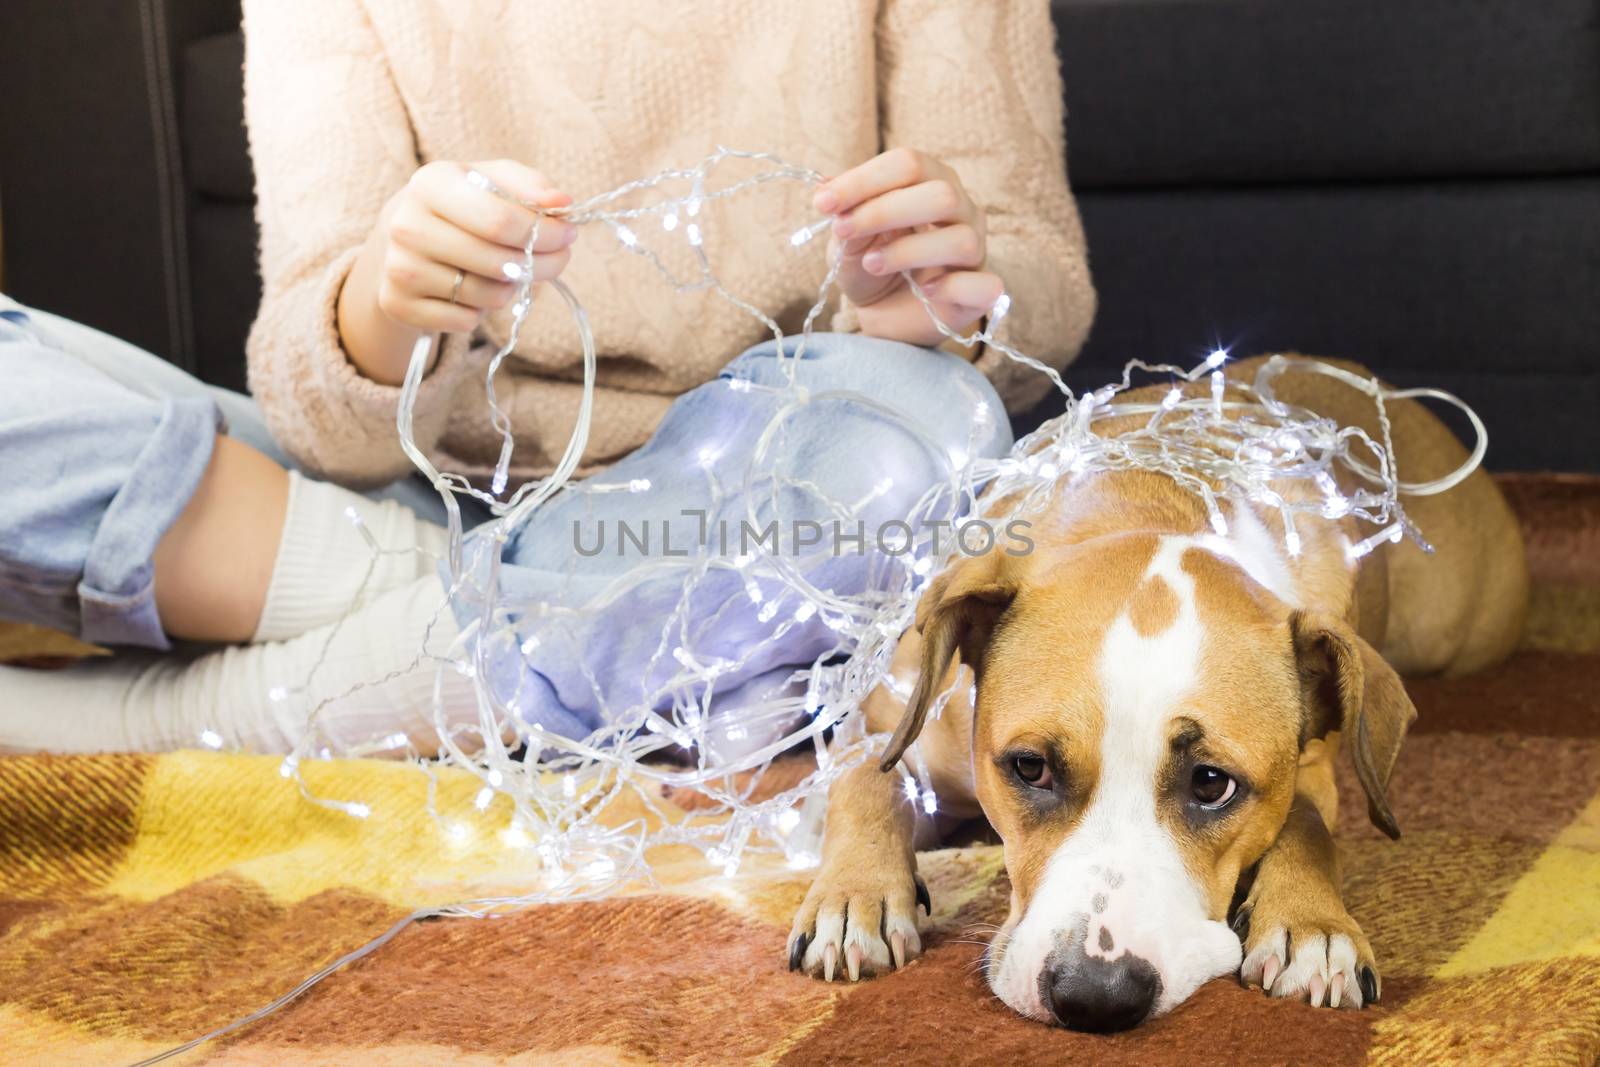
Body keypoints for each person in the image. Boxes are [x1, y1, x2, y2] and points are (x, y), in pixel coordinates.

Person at [0, 1, 1094, 755]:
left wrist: (949, 300)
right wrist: (383, 304)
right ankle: (519, 625)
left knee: (916, 440)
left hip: (775, 486)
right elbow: (321, 407)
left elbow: (1033, 267)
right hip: (427, 487)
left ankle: (198, 711)